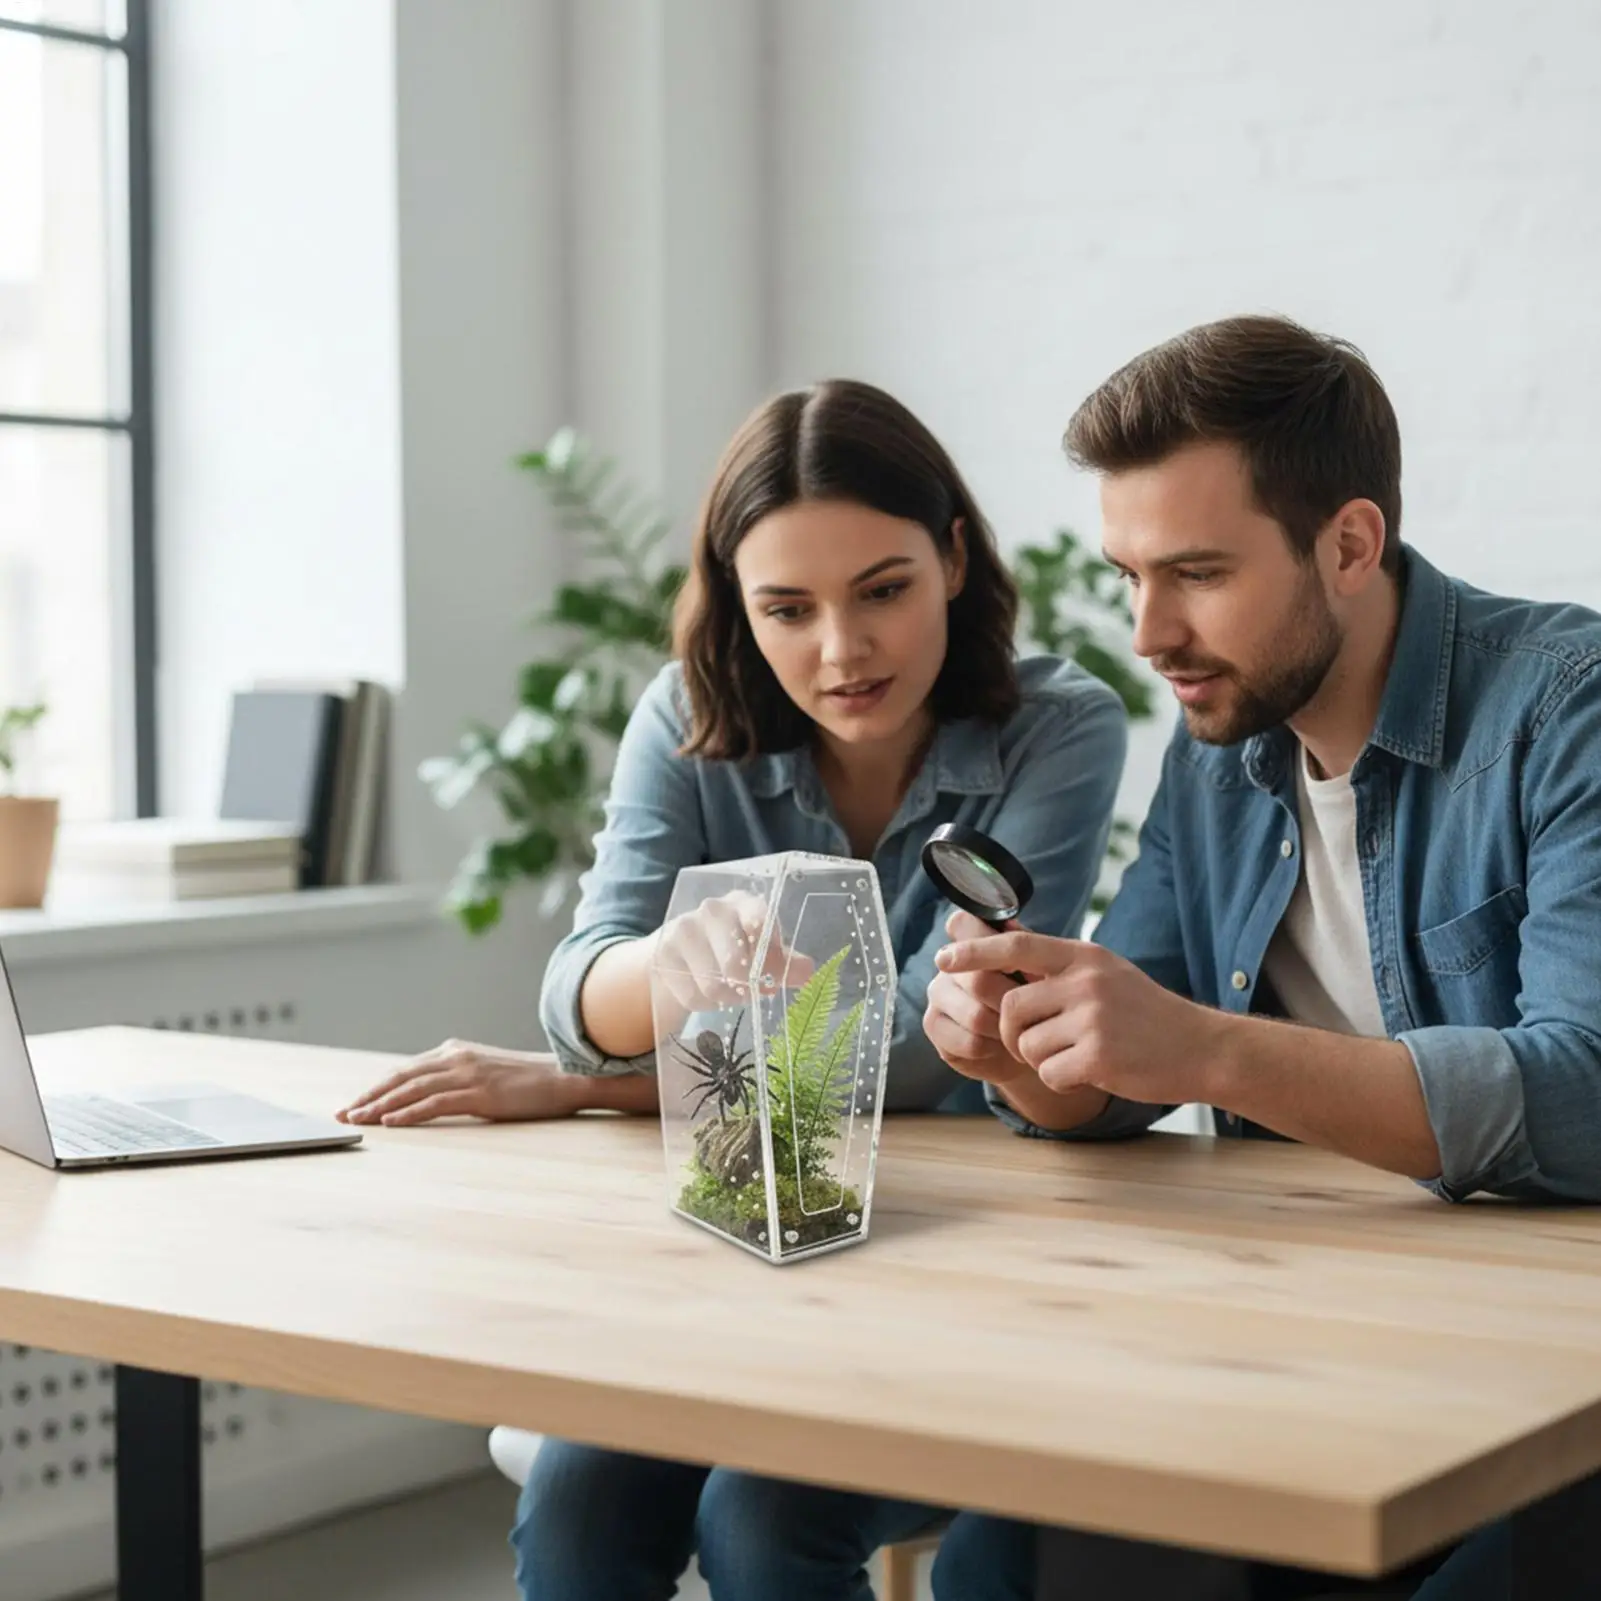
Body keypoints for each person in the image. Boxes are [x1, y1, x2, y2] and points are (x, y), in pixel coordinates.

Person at [340, 377, 1129, 1601]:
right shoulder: (687, 716)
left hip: (955, 1258)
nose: (841, 649)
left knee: (763, 1521)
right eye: (785, 606)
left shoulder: (1055, 727)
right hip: (736, 1251)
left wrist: (576, 1087)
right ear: (734, 603)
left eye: (882, 590)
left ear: (955, 559)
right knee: (575, 1496)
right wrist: (663, 964)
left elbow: (929, 1051)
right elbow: (579, 982)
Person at [921, 314, 1601, 1600]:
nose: (1146, 629)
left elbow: (1586, 1088)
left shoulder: (1569, 707)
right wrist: (1022, 1045)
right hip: (1308, 1338)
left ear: (1348, 543)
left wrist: (1205, 1049)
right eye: (1129, 574)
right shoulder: (1218, 750)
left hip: (1547, 1381)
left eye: (1195, 572)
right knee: (999, 1567)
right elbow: (1114, 1070)